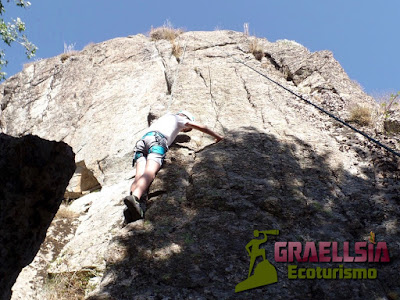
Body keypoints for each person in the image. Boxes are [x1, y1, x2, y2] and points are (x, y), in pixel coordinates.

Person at [123, 110, 223, 223]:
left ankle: (130, 208)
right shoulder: (178, 118)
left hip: (141, 142)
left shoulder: (165, 117)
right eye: (185, 129)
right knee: (149, 172)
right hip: (156, 141)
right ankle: (135, 198)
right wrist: (218, 137)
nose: (184, 130)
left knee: (139, 176)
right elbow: (201, 126)